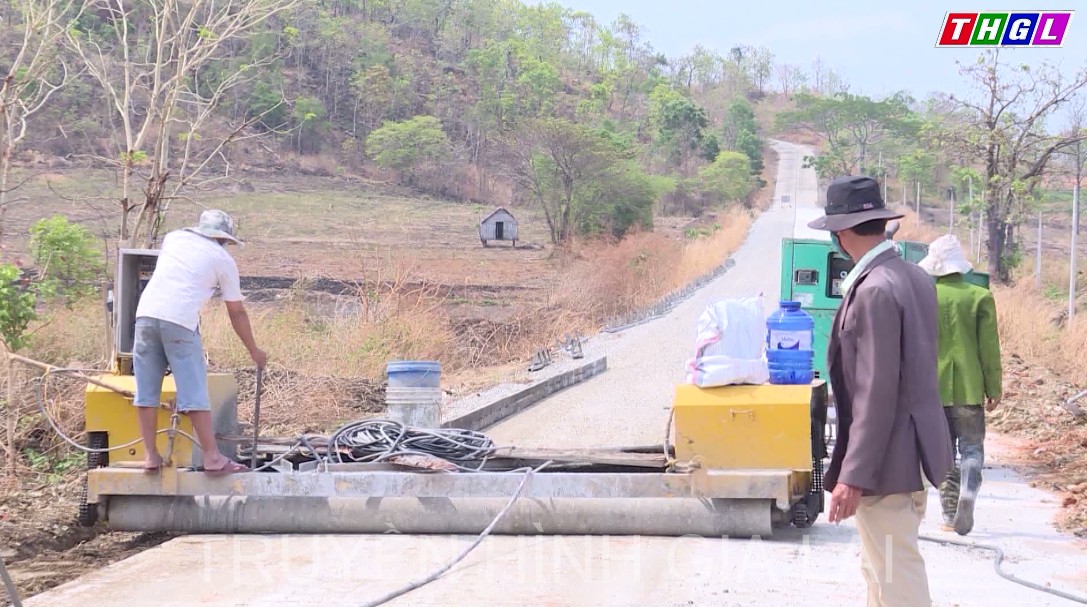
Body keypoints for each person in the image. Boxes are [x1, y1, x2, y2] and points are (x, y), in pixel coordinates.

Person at [808, 175, 953, 607]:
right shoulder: (913, 277)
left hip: (888, 463)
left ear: (843, 231)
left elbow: (876, 391)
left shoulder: (873, 289)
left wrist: (853, 475)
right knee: (880, 571)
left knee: (894, 574)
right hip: (915, 454)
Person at [133, 209, 268, 475]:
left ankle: (151, 456)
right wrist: (254, 350)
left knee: (146, 391)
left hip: (145, 316)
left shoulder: (174, 238)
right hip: (180, 321)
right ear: (224, 239)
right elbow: (236, 312)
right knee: (193, 392)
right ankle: (213, 458)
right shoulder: (223, 260)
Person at [918, 235, 1002, 536]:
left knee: (943, 454)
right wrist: (994, 387)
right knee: (971, 449)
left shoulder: (925, 296)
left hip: (933, 388)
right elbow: (989, 348)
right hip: (969, 388)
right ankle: (969, 489)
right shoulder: (980, 297)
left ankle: (950, 514)